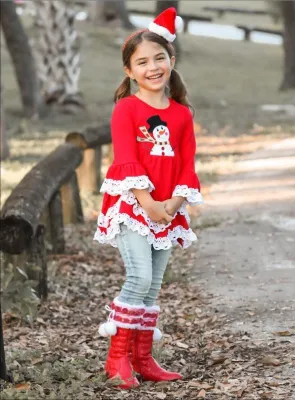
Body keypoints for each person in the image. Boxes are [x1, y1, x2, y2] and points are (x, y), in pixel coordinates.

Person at [94, 7, 203, 389]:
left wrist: (172, 205)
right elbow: (125, 158)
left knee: (153, 286)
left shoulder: (181, 115)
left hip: (168, 208)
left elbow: (187, 165)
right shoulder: (126, 109)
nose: (153, 67)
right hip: (131, 206)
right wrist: (148, 202)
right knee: (138, 276)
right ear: (130, 71)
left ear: (171, 61)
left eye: (159, 58)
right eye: (142, 62)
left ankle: (142, 358)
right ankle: (116, 359)